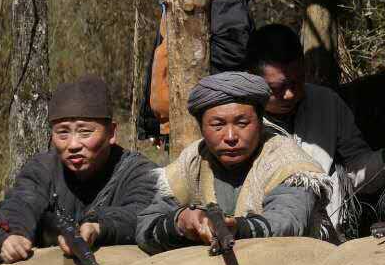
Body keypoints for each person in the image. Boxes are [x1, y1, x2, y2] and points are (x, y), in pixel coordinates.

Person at [245, 24, 385, 237]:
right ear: (251, 78)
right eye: (276, 88)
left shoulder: (327, 103)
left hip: (328, 238)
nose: (289, 94)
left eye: (296, 82)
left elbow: (355, 171)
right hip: (263, 239)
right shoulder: (237, 121)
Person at [137, 72, 329, 253]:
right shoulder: (193, 161)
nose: (230, 136)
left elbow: (288, 222)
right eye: (218, 125)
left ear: (260, 123)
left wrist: (238, 227)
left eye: (242, 123)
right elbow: (146, 225)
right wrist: (181, 221)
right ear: (201, 128)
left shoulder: (286, 159)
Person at [0, 76, 161, 264]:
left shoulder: (139, 171)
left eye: (85, 132)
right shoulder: (42, 169)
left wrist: (99, 226)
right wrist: (10, 236)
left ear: (111, 133)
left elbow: (145, 212)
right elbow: (19, 205)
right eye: (62, 133)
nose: (73, 144)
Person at [122, 0, 255, 146]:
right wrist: (156, 123)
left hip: (204, 132)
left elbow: (231, 55)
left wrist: (193, 107)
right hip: (188, 128)